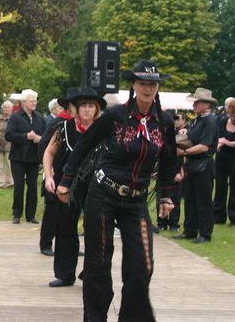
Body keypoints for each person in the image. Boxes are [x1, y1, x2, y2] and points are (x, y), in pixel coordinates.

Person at [58, 59, 177, 321]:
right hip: (104, 195)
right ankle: (95, 317)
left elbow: (169, 160)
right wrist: (67, 180)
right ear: (133, 85)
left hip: (136, 201)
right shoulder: (115, 115)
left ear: (157, 87)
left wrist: (166, 195)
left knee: (142, 266)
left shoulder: (164, 121)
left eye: (152, 84)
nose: (147, 89)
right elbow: (85, 144)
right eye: (142, 83)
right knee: (98, 264)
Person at [43, 87, 106, 287]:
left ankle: (91, 272)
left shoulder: (103, 129)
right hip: (67, 183)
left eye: (91, 106)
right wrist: (49, 175)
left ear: (96, 109)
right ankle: (65, 273)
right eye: (84, 106)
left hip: (95, 184)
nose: (87, 110)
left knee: (95, 229)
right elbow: (49, 153)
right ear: (77, 109)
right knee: (65, 227)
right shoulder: (65, 127)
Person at [173, 88, 219, 244]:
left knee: (204, 200)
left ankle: (205, 233)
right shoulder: (198, 119)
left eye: (197, 103)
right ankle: (190, 230)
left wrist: (183, 153)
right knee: (190, 199)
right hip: (193, 164)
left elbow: (205, 146)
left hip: (203, 164)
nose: (193, 106)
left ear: (206, 104)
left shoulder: (210, 120)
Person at [38, 87, 80, 256]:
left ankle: (70, 244)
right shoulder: (58, 123)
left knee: (73, 211)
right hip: (57, 172)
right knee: (53, 209)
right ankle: (46, 243)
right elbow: (44, 146)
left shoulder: (84, 125)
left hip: (75, 175)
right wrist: (50, 170)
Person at [6, 89, 44, 224]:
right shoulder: (15, 117)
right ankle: (17, 214)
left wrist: (39, 138)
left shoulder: (39, 117)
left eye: (35, 101)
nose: (34, 103)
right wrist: (26, 136)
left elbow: (46, 136)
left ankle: (31, 215)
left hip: (34, 158)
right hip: (18, 157)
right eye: (31, 101)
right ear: (24, 102)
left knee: (33, 186)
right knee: (19, 185)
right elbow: (9, 135)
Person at [214, 99, 235, 226]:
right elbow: (216, 136)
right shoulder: (222, 122)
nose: (233, 118)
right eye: (231, 115)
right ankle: (218, 215)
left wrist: (226, 142)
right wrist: (220, 140)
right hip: (221, 157)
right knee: (220, 186)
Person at [155, 111, 187, 232]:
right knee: (160, 195)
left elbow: (183, 155)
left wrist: (181, 172)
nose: (176, 121)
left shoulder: (181, 134)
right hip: (162, 169)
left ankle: (174, 223)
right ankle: (161, 222)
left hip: (176, 169)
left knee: (175, 197)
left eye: (178, 119)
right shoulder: (159, 133)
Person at [0, 100, 14, 189]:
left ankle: (10, 182)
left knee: (10, 165)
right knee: (0, 165)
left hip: (10, 145)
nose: (6, 109)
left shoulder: (13, 119)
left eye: (8, 107)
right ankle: (1, 183)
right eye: (5, 107)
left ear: (11, 109)